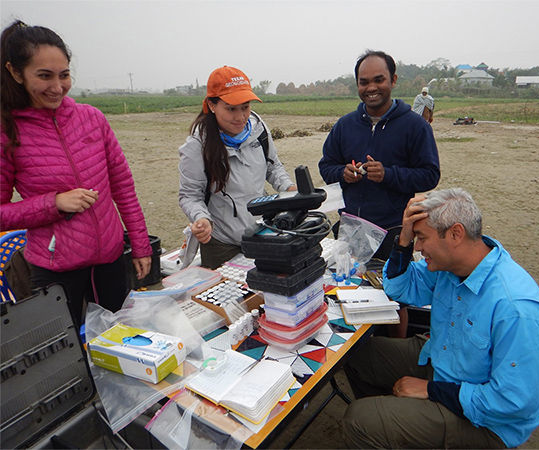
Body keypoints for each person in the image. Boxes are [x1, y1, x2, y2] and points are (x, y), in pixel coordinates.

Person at [343, 188, 539, 449]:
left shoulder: (516, 308)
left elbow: (514, 403)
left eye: (421, 238)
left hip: (488, 423)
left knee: (360, 420)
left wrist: (431, 391)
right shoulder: (454, 265)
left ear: (455, 234)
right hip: (446, 365)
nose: (418, 248)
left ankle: (390, 424)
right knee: (357, 354)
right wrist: (403, 241)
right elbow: (399, 288)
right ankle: (396, 425)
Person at [0, 21, 152, 325]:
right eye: (44, 76)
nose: (57, 87)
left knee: (119, 344)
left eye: (64, 75)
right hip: (55, 271)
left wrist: (140, 244)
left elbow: (122, 186)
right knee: (66, 357)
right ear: (16, 73)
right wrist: (53, 204)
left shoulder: (92, 118)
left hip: (109, 261)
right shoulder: (7, 131)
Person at [318, 50, 440, 262]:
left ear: (393, 80)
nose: (371, 88)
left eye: (379, 80)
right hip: (349, 229)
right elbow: (326, 166)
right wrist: (343, 173)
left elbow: (429, 175)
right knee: (347, 288)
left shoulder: (416, 126)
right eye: (363, 82)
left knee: (390, 290)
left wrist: (388, 175)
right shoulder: (344, 125)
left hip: (394, 231)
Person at [179, 66, 296, 269]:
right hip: (221, 243)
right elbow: (190, 195)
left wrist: (288, 187)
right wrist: (201, 219)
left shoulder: (258, 129)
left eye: (245, 107)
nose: (240, 116)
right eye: (231, 108)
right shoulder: (198, 145)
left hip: (261, 231)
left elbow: (273, 166)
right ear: (212, 105)